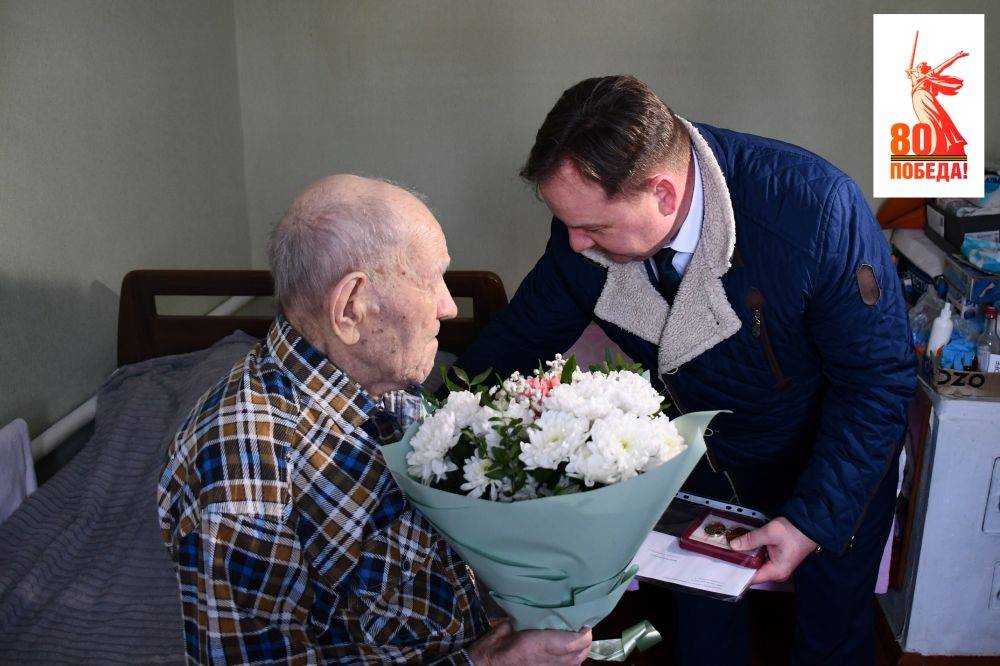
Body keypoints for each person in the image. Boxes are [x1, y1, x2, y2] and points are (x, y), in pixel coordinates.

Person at [454, 76, 915, 665]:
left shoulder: (816, 211)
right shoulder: (580, 232)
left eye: (595, 228)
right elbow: (518, 337)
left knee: (831, 638)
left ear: (664, 195)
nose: (574, 243)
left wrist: (809, 520)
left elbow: (877, 382)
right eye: (568, 223)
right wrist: (430, 417)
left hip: (831, 460)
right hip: (703, 461)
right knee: (701, 638)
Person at [157, 175, 592, 665]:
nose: (448, 307)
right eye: (432, 281)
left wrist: (478, 635)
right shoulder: (249, 480)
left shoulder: (388, 386)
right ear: (351, 308)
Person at [906, 51, 969, 155]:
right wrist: (910, 73)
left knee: (936, 120)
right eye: (919, 65)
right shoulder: (916, 79)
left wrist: (956, 56)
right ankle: (934, 147)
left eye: (922, 65)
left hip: (926, 98)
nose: (920, 66)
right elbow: (911, 77)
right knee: (926, 122)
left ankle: (942, 146)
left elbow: (944, 65)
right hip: (918, 101)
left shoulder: (929, 74)